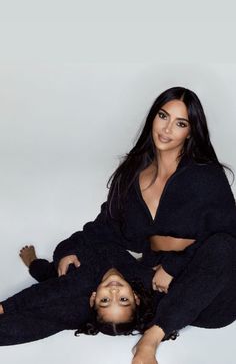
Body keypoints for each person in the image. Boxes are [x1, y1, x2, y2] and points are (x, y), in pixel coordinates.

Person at [52, 87, 236, 363]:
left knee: (225, 247)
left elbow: (229, 235)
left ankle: (151, 338)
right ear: (153, 117)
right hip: (161, 288)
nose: (167, 128)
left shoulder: (206, 177)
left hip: (212, 298)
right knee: (84, 284)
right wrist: (67, 249)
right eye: (163, 116)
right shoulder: (132, 175)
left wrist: (174, 266)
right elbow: (106, 226)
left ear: (190, 131)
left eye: (180, 123)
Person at [0, 241, 156, 346]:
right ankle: (37, 267)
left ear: (94, 298)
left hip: (77, 299)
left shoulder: (79, 284)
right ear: (135, 297)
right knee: (53, 276)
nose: (113, 291)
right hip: (72, 274)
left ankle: (34, 265)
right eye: (123, 299)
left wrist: (3, 307)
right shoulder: (144, 277)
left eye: (105, 300)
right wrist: (67, 253)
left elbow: (39, 294)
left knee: (48, 315)